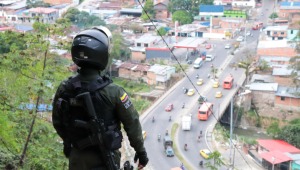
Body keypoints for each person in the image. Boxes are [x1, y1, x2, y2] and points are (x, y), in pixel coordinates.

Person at [52, 26, 148, 170]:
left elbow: (57, 122)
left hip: (77, 158)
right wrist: (141, 152)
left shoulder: (65, 88)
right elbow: (132, 123)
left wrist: (72, 141)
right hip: (105, 159)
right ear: (102, 55)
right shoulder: (114, 92)